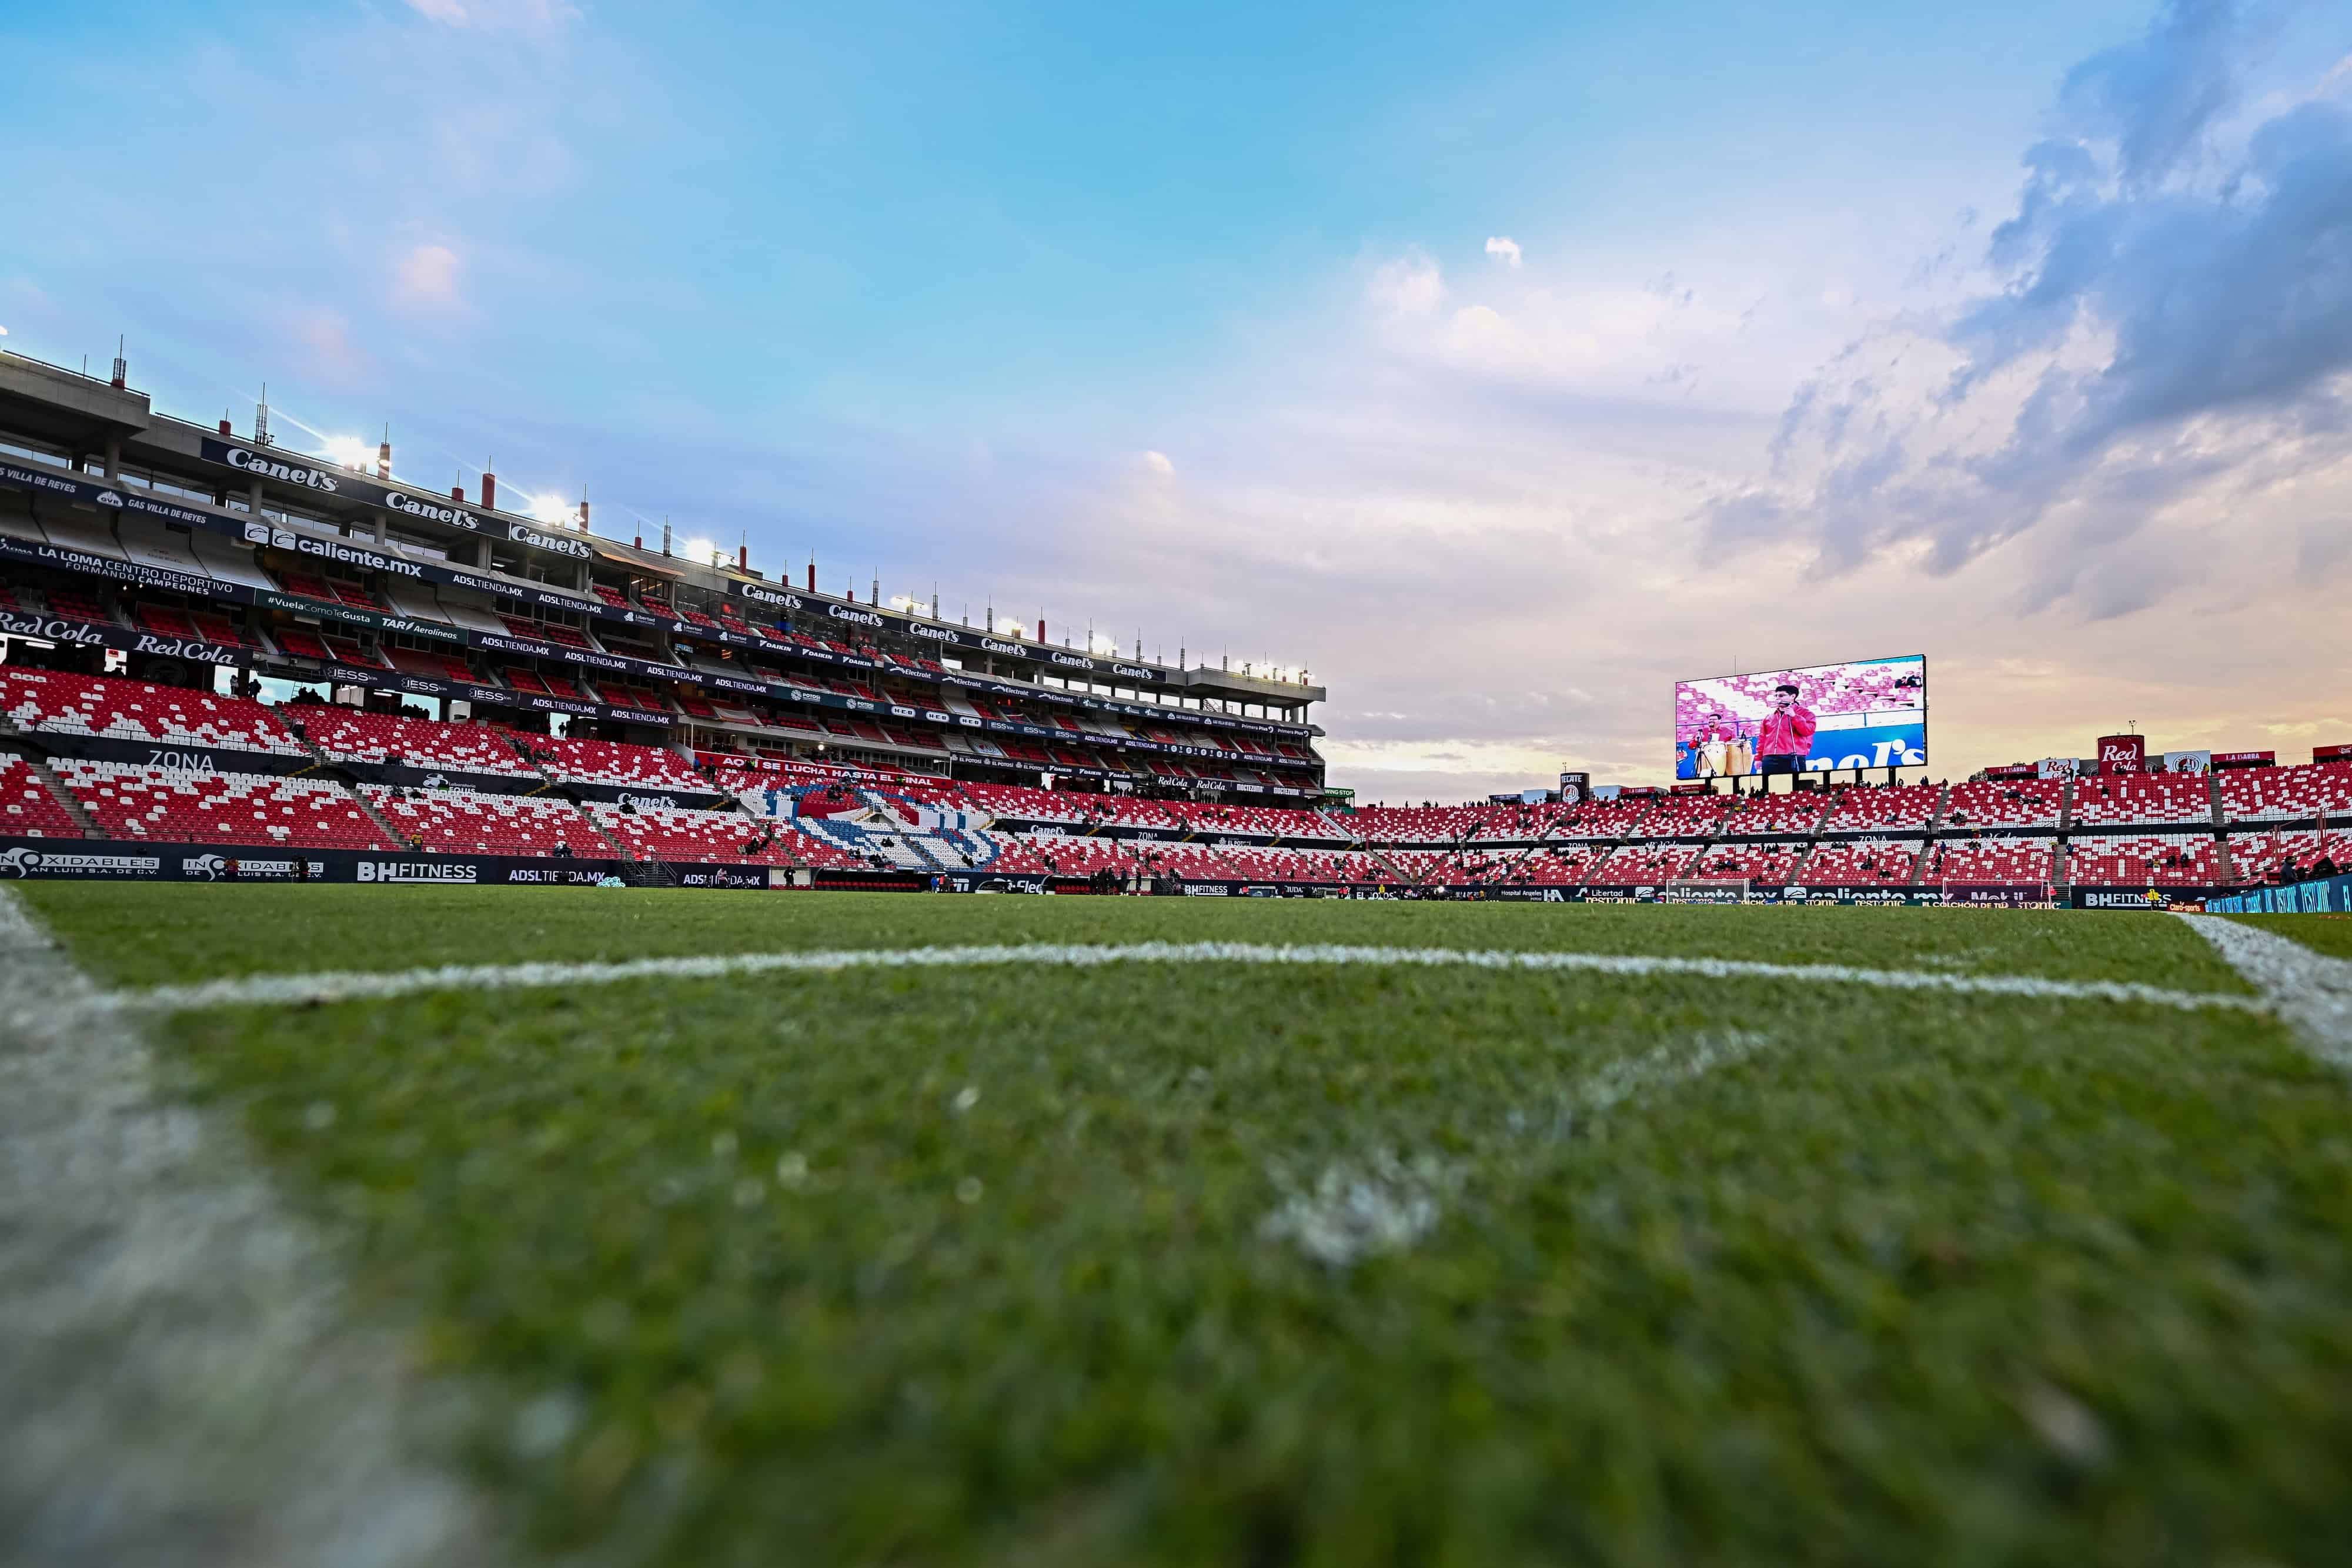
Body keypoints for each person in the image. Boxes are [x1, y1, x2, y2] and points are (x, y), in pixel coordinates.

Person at [1755, 684, 1815, 780]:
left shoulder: (1806, 714)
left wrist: (1795, 717)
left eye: (1781, 695)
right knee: (1769, 788)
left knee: (1795, 786)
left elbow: (1808, 731)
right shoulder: (1769, 717)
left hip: (1793, 756)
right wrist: (1758, 758)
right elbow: (1762, 739)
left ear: (1793, 697)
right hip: (1769, 758)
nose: (1777, 699)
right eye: (1776, 696)